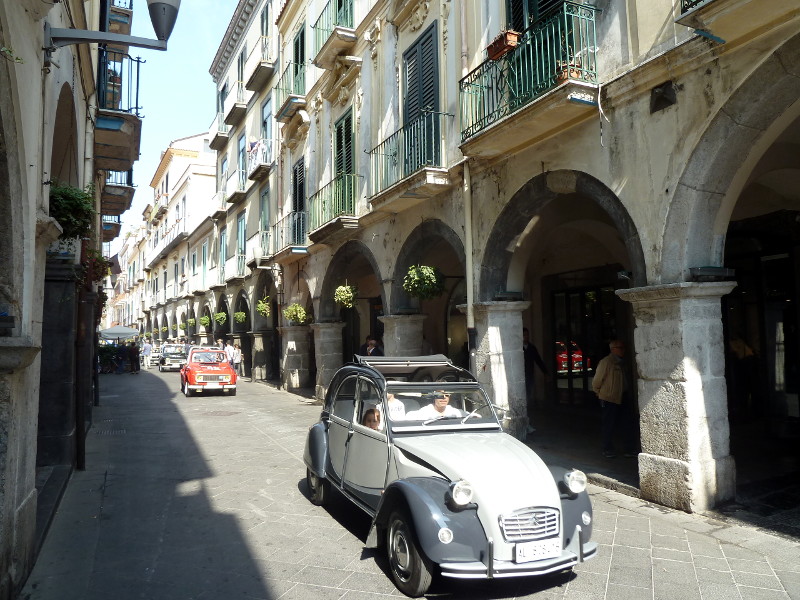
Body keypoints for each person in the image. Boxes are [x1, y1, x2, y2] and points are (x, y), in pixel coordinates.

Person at [592, 340, 637, 458]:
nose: (623, 350)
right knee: (609, 424)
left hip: (623, 396)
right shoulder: (606, 362)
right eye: (620, 347)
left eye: (623, 347)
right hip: (609, 397)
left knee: (626, 423)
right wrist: (598, 393)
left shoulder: (622, 362)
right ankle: (607, 448)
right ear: (613, 349)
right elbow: (597, 380)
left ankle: (629, 448)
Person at [523, 327, 548, 434]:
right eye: (524, 335)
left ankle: (527, 424)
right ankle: (524, 424)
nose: (526, 337)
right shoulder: (517, 348)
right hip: (520, 379)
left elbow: (538, 360)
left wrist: (546, 373)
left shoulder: (532, 348)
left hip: (529, 378)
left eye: (527, 335)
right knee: (522, 402)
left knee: (528, 402)